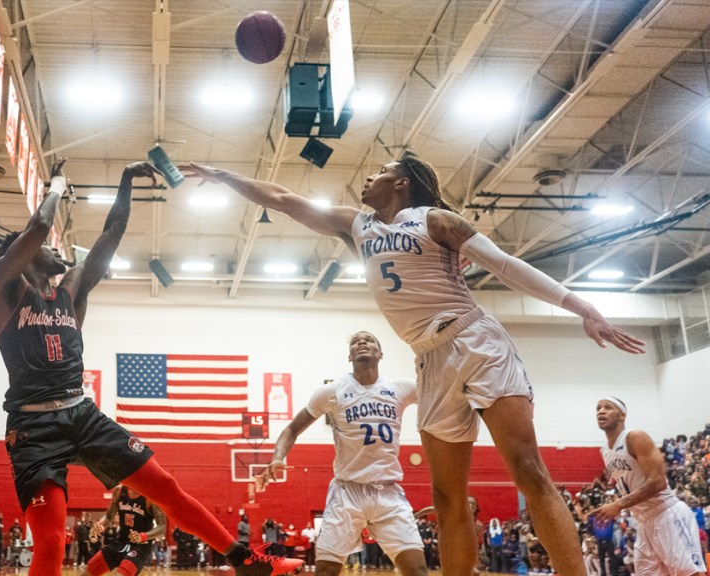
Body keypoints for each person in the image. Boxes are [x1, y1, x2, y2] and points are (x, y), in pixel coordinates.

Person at [182, 155, 646, 576]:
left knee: (527, 468)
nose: (367, 177)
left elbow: (504, 265)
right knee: (446, 498)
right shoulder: (356, 226)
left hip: (475, 339)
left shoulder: (435, 219)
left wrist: (580, 306)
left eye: (378, 171)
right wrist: (223, 175)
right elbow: (283, 200)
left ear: (401, 182)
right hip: (430, 358)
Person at [0, 158, 303, 576]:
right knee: (50, 542)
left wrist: (125, 182)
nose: (55, 248)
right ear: (20, 254)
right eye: (44, 247)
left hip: (81, 413)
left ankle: (245, 563)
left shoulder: (71, 291)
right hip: (33, 428)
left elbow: (112, 234)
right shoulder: (2, 288)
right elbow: (39, 228)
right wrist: (57, 184)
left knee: (166, 488)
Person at [258, 331, 427, 576]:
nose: (362, 342)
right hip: (348, 492)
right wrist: (277, 457)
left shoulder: (401, 388)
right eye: (356, 341)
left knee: (417, 570)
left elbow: (440, 394)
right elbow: (291, 429)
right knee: (326, 571)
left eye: (369, 339)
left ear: (380, 353)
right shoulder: (332, 391)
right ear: (349, 356)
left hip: (388, 492)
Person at [592, 396, 707, 576]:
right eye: (598, 408)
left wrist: (618, 505)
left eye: (607, 407)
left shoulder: (635, 437)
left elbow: (658, 482)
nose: (601, 411)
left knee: (690, 573)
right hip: (644, 522)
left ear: (622, 415)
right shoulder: (604, 450)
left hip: (667, 514)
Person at [86, 485, 166, 576]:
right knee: (89, 570)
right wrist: (100, 524)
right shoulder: (119, 491)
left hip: (141, 546)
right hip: (120, 541)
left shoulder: (151, 496)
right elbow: (108, 516)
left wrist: (142, 536)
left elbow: (162, 527)